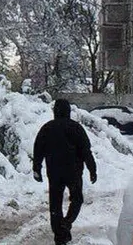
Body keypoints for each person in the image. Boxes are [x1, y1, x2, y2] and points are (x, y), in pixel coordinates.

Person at [33, 99, 97, 245]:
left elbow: (38, 149)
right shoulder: (76, 128)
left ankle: (59, 236)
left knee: (55, 204)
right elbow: (86, 151)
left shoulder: (47, 128)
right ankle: (66, 223)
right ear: (68, 111)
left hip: (54, 172)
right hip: (73, 172)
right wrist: (92, 169)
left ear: (55, 111)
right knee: (77, 199)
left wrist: (37, 169)